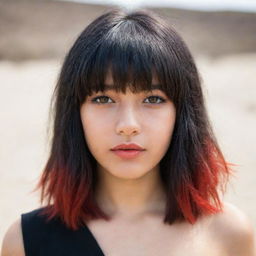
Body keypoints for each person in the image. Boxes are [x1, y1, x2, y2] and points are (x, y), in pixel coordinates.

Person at [1, 8, 255, 256]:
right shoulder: (25, 241)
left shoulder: (228, 234)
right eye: (103, 99)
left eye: (153, 99)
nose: (128, 124)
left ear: (183, 113)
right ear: (74, 112)